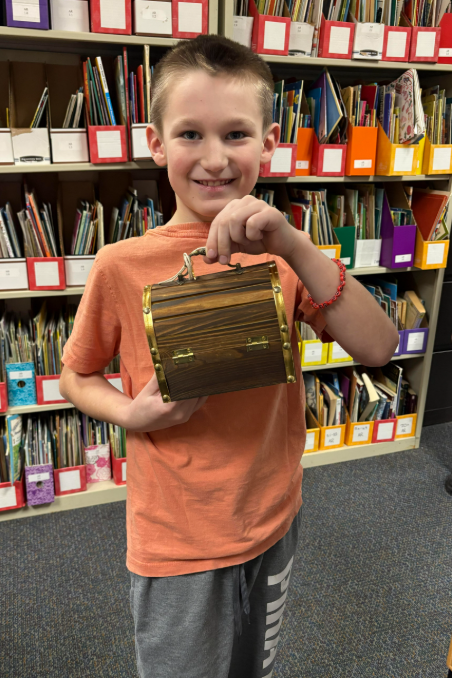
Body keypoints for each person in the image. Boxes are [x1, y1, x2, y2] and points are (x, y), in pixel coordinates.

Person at [59, 35, 399, 678]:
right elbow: (76, 374)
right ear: (156, 143)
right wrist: (131, 415)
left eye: (237, 134)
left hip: (273, 517)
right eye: (190, 134)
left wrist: (296, 245)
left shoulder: (285, 253)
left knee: (254, 667)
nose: (214, 159)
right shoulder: (121, 265)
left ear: (269, 142)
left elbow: (379, 346)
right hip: (177, 540)